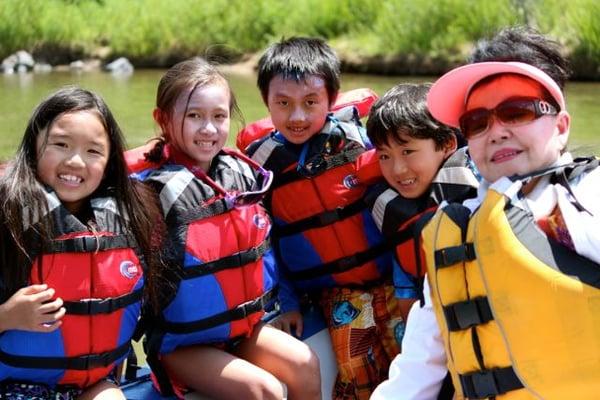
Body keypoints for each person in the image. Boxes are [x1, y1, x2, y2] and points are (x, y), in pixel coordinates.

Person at [371, 38, 600, 400]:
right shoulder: (454, 229)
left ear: (560, 126)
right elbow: (414, 372)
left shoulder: (585, 198)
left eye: (517, 112)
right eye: (477, 121)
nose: (496, 131)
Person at [130, 57, 321, 400]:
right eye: (194, 116)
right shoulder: (148, 194)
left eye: (219, 116)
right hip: (181, 344)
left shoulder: (242, 176)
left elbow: (267, 251)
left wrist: (289, 301)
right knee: (266, 391)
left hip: (240, 329)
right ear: (162, 119)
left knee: (306, 362)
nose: (209, 129)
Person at [243, 36, 407, 400]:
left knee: (411, 365)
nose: (297, 116)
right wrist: (287, 303)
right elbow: (269, 245)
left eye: (310, 103)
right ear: (266, 102)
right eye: (283, 104)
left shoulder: (360, 144)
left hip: (393, 280)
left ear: (331, 100)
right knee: (354, 371)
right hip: (336, 293)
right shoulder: (264, 172)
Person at [0, 87, 159, 400]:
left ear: (110, 159)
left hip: (93, 383)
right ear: (34, 145)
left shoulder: (130, 217)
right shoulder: (8, 215)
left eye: (93, 151)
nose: (75, 161)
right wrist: (7, 315)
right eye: (61, 145)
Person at [364, 83, 478, 301]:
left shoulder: (480, 187)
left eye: (408, 151)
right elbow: (406, 295)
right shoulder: (394, 214)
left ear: (446, 144)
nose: (397, 170)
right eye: (385, 156)